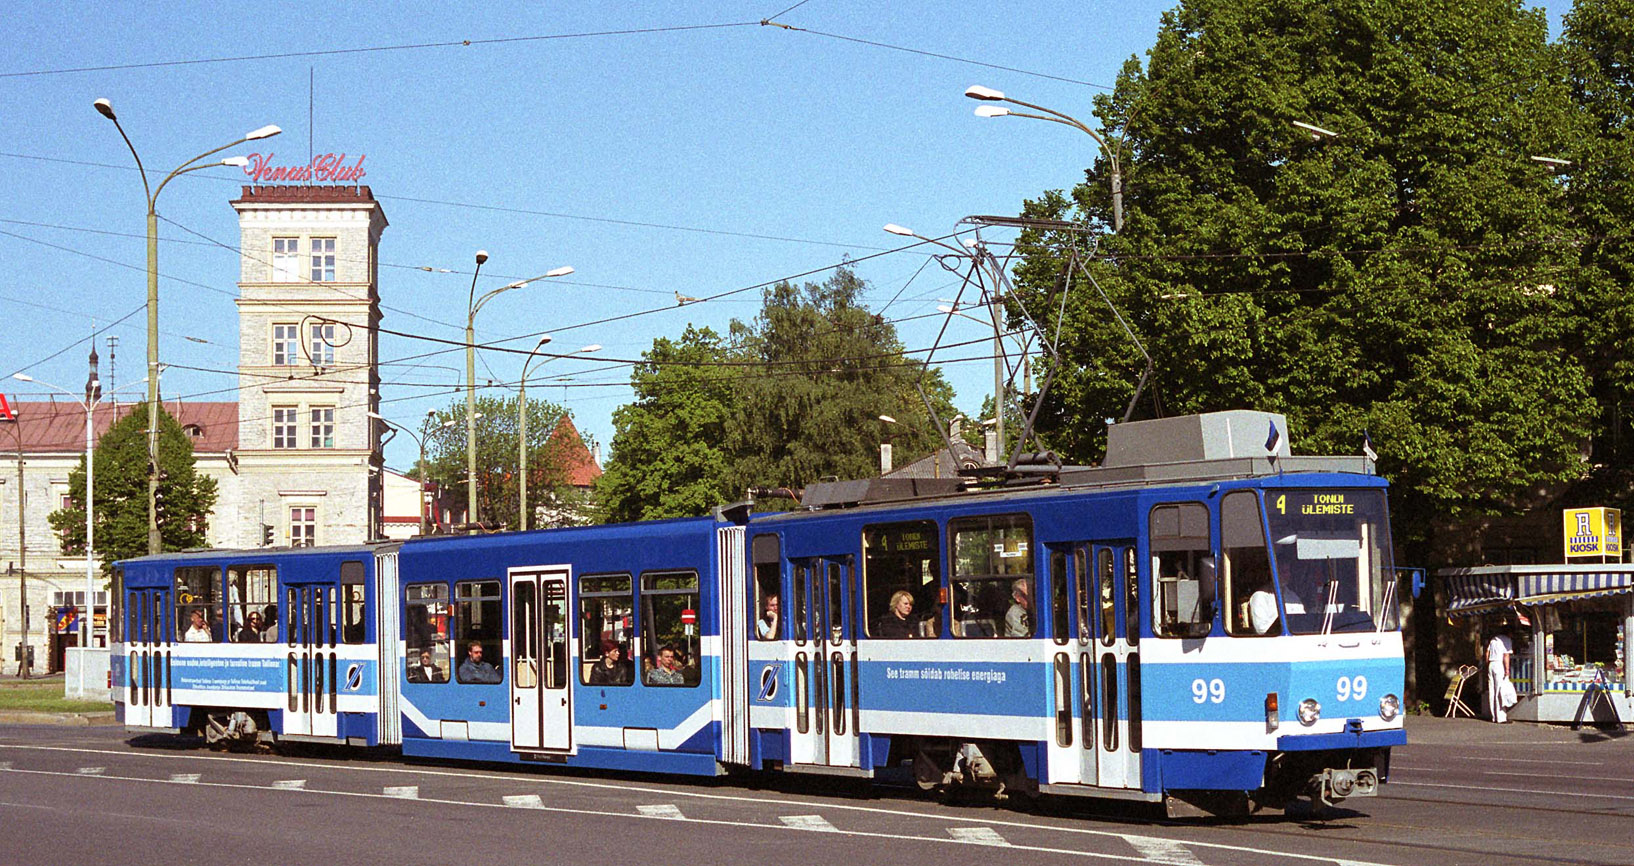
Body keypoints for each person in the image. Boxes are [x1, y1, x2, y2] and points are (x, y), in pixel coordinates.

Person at [1486, 625, 1514, 723]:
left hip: (1491, 664)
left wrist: (1488, 664)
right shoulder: (1506, 640)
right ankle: (1501, 717)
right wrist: (1507, 669)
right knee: (1499, 691)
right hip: (1499, 664)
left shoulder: (1493, 639)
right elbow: (1506, 655)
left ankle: (1494, 716)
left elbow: (1487, 653)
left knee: (1492, 691)